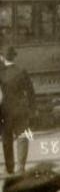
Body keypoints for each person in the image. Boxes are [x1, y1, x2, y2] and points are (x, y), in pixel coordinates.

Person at [0, 46, 34, 175]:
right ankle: (21, 167)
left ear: (3, 58)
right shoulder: (22, 71)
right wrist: (32, 108)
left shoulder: (0, 73)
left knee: (7, 139)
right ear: (14, 57)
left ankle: (9, 169)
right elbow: (31, 92)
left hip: (5, 111)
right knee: (22, 136)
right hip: (21, 110)